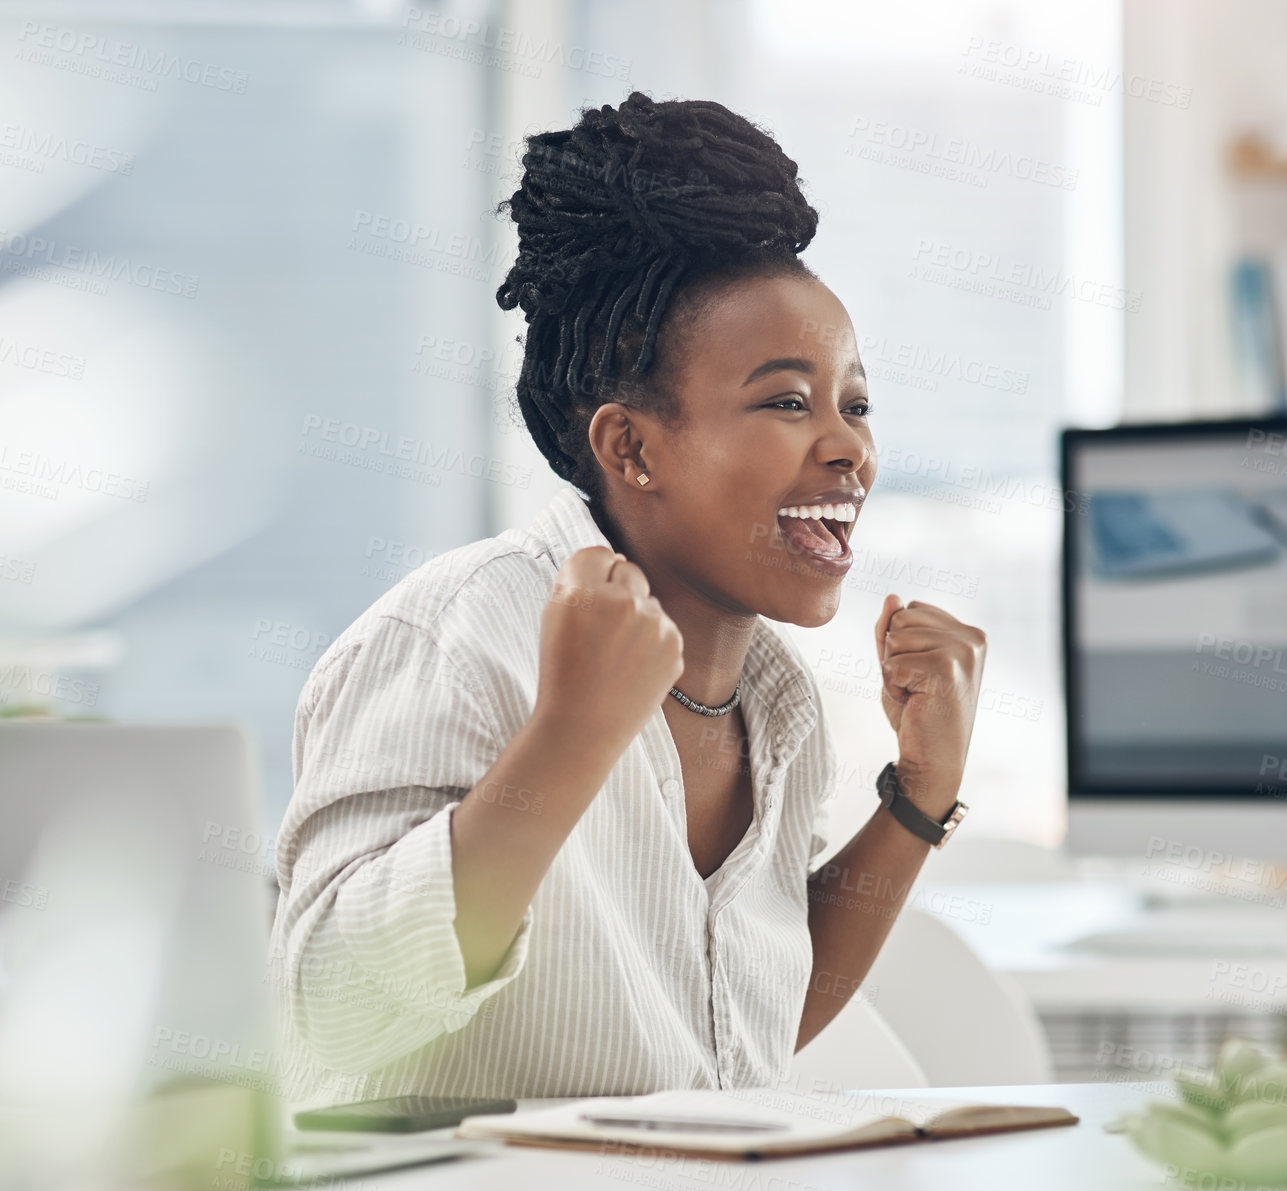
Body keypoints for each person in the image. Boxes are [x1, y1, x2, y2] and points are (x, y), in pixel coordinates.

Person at [267, 92, 987, 1099]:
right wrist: (569, 737)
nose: (848, 448)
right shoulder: (458, 635)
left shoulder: (774, 703)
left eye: (854, 404)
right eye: (786, 402)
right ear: (631, 447)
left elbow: (738, 1030)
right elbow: (332, 1010)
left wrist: (920, 790)